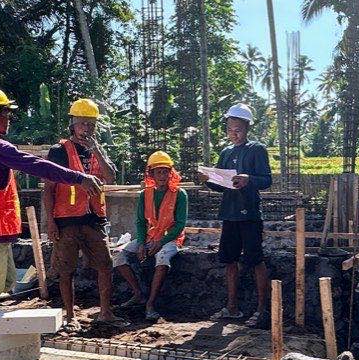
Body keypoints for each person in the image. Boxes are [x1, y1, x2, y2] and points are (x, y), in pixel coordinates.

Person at [0, 87, 103, 312]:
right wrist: (79, 178)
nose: (9, 119)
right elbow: (35, 165)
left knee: (7, 282)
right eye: (6, 114)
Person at [42, 99, 118, 331]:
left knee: (105, 264)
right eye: (83, 123)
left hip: (93, 219)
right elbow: (48, 189)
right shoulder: (58, 151)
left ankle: (105, 312)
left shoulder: (97, 149)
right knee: (66, 270)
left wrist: (97, 150)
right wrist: (51, 223)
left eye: (91, 124)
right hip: (66, 222)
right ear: (73, 124)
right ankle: (70, 316)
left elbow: (111, 177)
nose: (87, 128)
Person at [200, 102, 273, 327]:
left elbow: (267, 180)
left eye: (238, 129)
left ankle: (263, 310)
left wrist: (249, 179)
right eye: (230, 129)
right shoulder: (225, 152)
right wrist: (209, 180)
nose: (234, 134)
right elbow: (222, 185)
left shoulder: (256, 150)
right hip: (230, 215)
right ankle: (232, 308)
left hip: (249, 215)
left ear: (247, 127)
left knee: (255, 261)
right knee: (229, 261)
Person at [114, 151, 188, 321]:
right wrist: (141, 243)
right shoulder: (145, 194)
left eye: (165, 171)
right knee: (118, 256)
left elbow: (179, 225)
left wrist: (161, 242)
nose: (162, 175)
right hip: (149, 237)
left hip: (170, 238)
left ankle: (150, 304)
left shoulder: (180, 194)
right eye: (158, 171)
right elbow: (140, 222)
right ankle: (138, 293)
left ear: (171, 173)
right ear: (152, 174)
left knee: (162, 259)